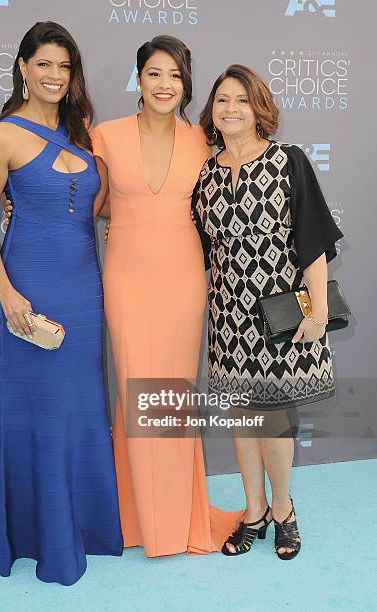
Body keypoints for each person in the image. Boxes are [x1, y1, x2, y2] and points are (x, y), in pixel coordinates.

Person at [0, 22, 123, 586]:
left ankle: (85, 526)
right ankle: (40, 539)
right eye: (44, 65)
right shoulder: (1, 138)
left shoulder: (83, 136)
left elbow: (99, 206)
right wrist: (7, 292)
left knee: (82, 408)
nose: (55, 76)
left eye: (64, 67)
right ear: (23, 68)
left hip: (85, 288)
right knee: (36, 410)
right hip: (29, 291)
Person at [90, 36, 243, 557]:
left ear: (186, 83)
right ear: (138, 78)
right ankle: (134, 521)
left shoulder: (204, 140)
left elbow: (226, 202)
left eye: (175, 76)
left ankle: (177, 520)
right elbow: (94, 204)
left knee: (173, 399)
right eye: (154, 73)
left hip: (183, 279)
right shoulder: (104, 136)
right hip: (127, 276)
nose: (164, 85)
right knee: (134, 394)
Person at [193, 64, 344, 560]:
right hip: (228, 317)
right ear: (211, 111)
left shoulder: (287, 161)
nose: (230, 108)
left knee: (273, 417)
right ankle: (252, 510)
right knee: (242, 414)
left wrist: (318, 310)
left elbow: (314, 242)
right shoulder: (207, 175)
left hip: (281, 314)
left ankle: (283, 509)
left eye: (241, 100)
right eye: (222, 100)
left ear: (259, 109)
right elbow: (196, 245)